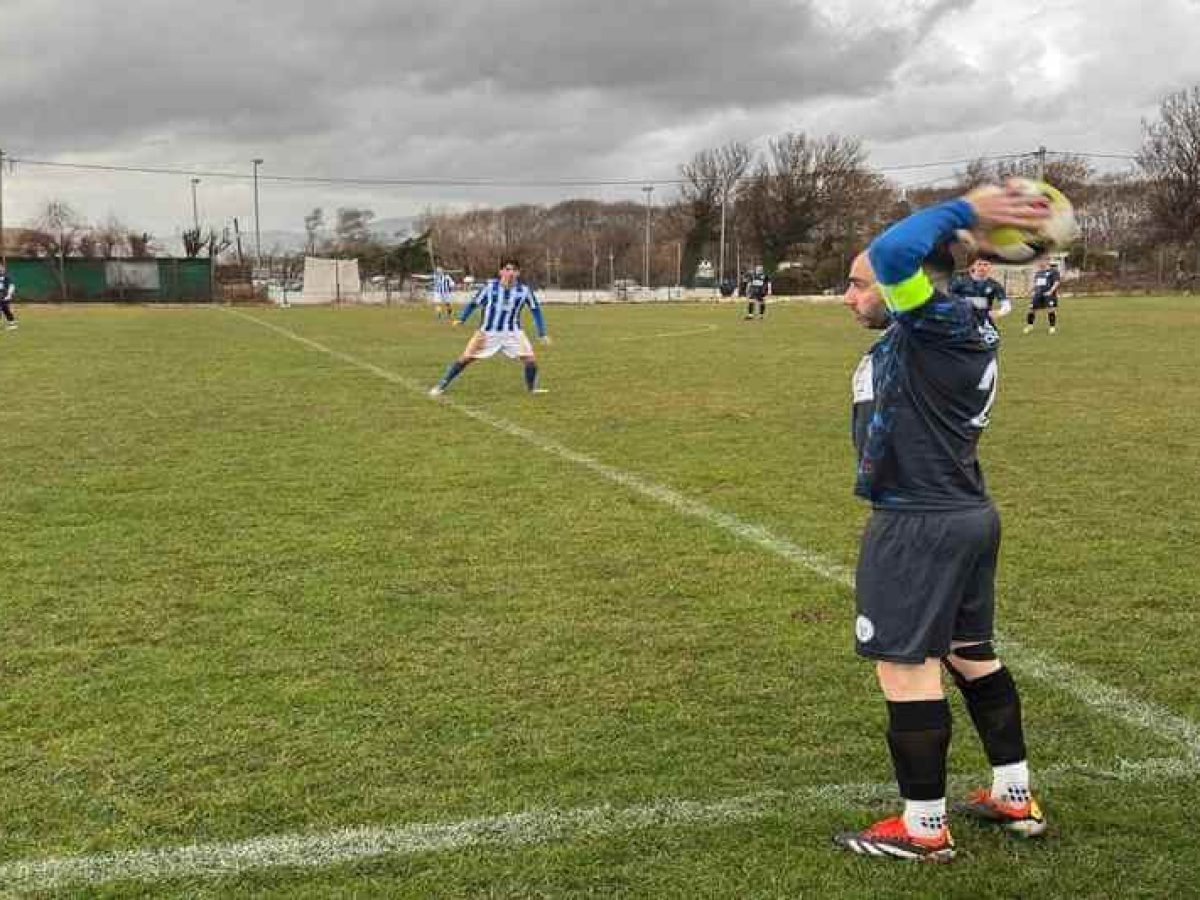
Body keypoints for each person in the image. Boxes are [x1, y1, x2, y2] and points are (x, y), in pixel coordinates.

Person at [833, 184, 1050, 863]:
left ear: (907, 286)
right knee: (969, 654)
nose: (849, 296)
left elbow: (896, 252)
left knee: (905, 667)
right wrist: (961, 235)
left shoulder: (937, 323)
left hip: (920, 522)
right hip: (960, 511)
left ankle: (923, 827)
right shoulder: (944, 324)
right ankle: (1012, 793)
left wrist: (966, 208)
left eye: (858, 283)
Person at [429, 258, 550, 396]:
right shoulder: (489, 287)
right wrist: (461, 319)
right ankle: (441, 385)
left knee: (530, 360)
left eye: (514, 270)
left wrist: (542, 333)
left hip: (513, 333)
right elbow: (473, 304)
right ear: (501, 271)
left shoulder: (524, 291)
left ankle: (531, 389)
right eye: (507, 269)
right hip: (487, 333)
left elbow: (536, 310)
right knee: (465, 358)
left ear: (518, 273)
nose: (510, 273)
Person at [949, 258, 1011, 326]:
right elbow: (947, 297)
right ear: (973, 266)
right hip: (962, 320)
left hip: (984, 321)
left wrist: (999, 312)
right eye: (979, 264)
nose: (982, 267)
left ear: (990, 266)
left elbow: (1006, 305)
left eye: (985, 265)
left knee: (992, 336)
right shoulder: (960, 282)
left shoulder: (994, 285)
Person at [1023, 259, 1061, 334]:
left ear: (1046, 261)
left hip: (1048, 294)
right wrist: (1029, 291)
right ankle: (1030, 326)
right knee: (1031, 310)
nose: (1039, 263)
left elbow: (1056, 282)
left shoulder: (1053, 271)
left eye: (1041, 261)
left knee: (1050, 310)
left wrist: (1050, 291)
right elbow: (1036, 284)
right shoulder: (1038, 273)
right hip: (1038, 294)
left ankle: (1052, 327)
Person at [0, 264, 18, 330]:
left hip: (4, 296)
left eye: (1, 269)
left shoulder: (6, 277)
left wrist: (9, 295)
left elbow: (12, 286)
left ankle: (12, 324)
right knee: (6, 310)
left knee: (5, 310)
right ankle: (12, 323)